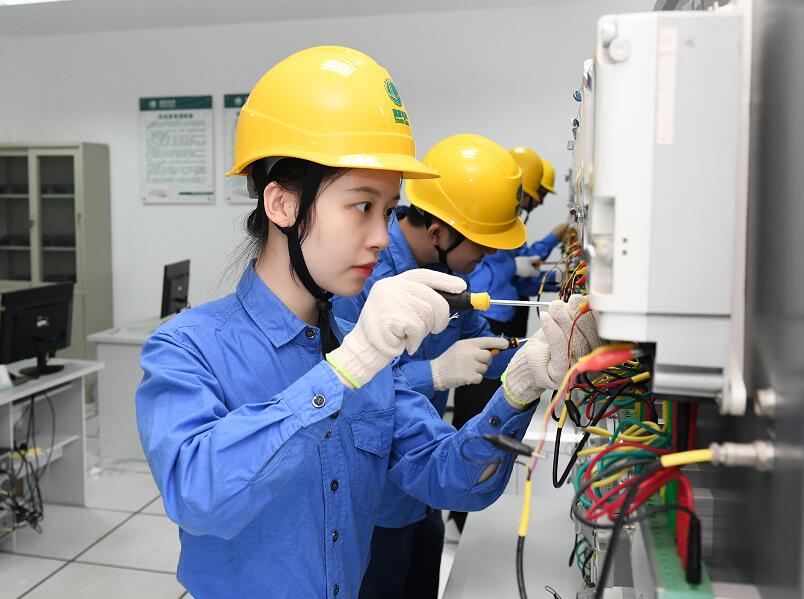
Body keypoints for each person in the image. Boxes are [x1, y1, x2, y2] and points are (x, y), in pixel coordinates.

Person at [135, 46, 599, 599]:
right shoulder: (185, 347)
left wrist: (520, 386)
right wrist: (348, 367)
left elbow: (450, 478)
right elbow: (198, 497)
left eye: (387, 209)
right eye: (361, 206)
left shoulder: (363, 351)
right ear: (282, 206)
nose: (380, 236)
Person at [333, 133, 532, 599]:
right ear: (440, 232)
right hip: (377, 494)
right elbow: (345, 385)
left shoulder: (450, 276)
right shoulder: (362, 279)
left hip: (427, 475)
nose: (490, 255)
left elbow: (484, 343)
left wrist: (540, 355)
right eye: (481, 244)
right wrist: (435, 373)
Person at [448, 147, 567, 532]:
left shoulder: (508, 223)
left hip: (497, 326)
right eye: (539, 194)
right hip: (485, 321)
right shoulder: (491, 224)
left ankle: (466, 511)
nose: (540, 202)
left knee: (487, 416)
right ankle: (461, 513)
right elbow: (487, 272)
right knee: (474, 418)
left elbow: (517, 273)